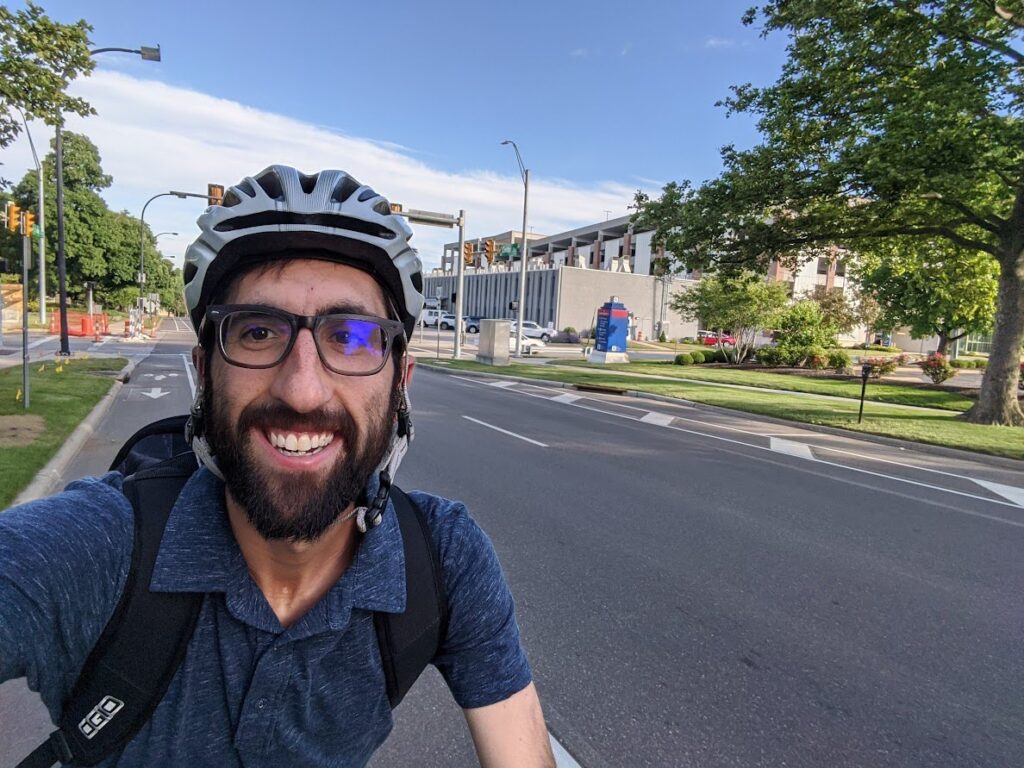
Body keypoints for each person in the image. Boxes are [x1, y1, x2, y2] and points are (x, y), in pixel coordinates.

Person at [0, 165, 555, 767]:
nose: (303, 391)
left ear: (401, 384)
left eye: (351, 336)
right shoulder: (95, 549)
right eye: (259, 331)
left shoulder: (444, 560)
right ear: (205, 372)